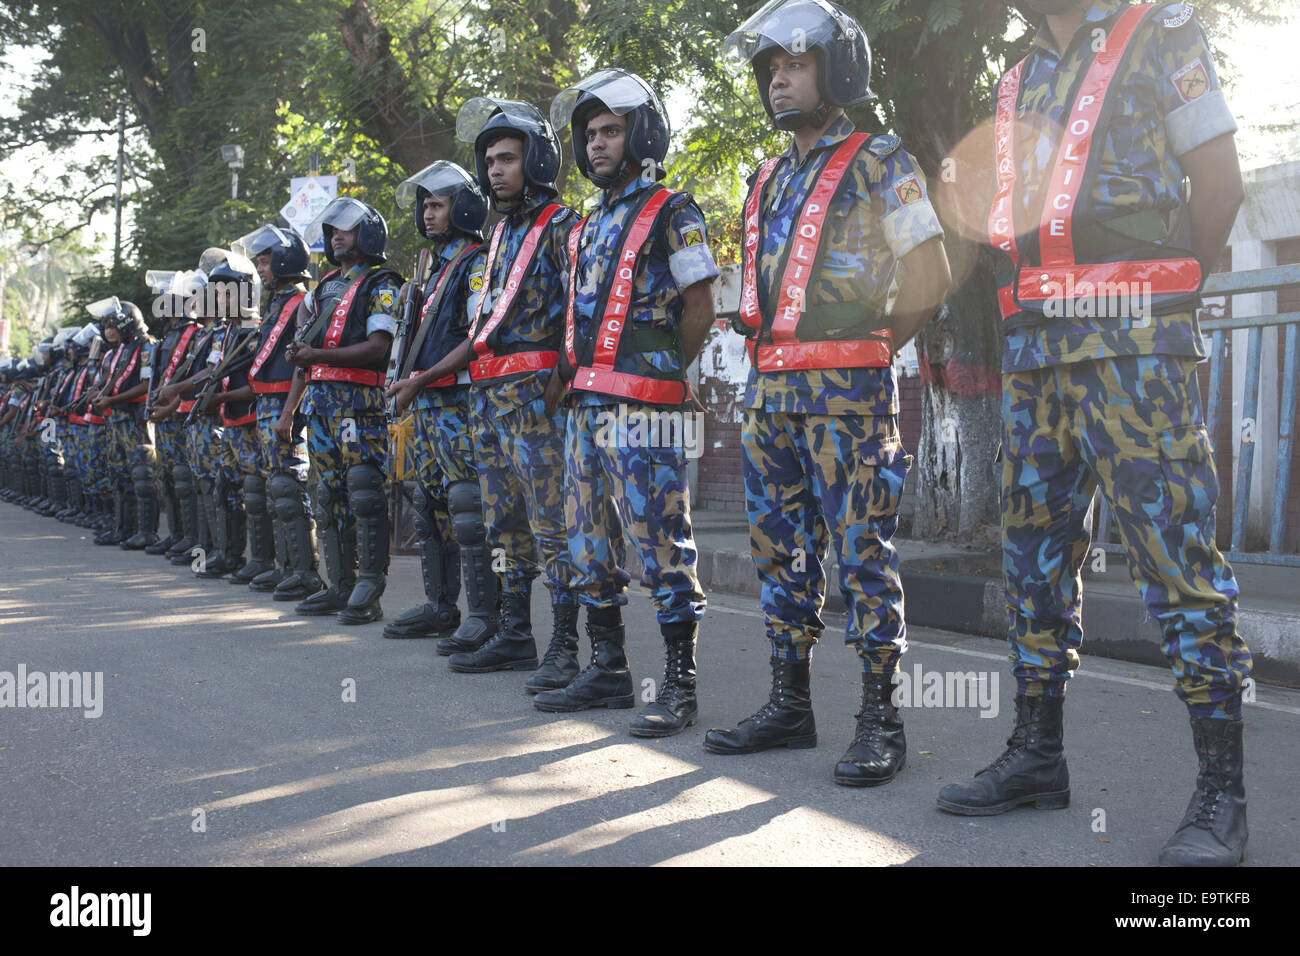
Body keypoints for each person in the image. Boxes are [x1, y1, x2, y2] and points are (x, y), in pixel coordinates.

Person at [937, 0, 1252, 868]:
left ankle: (1222, 797)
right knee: (1032, 561)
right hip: (1038, 359)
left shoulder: (1164, 30)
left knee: (1175, 561)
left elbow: (1219, 185)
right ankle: (1036, 756)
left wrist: (1163, 297)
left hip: (1135, 353)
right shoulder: (1020, 79)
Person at [703, 0, 951, 786]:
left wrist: (870, 350)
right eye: (771, 69)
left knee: (863, 555)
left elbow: (933, 274)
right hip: (769, 395)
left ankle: (881, 721)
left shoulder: (883, 159)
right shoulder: (766, 177)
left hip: (850, 394)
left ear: (837, 70)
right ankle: (789, 705)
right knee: (780, 554)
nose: (779, 80)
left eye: (796, 65)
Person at [532, 68, 717, 734]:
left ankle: (680, 685)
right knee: (586, 538)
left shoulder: (674, 209)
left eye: (611, 130)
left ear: (640, 133)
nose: (598, 144)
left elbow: (700, 307)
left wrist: (664, 372)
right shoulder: (587, 224)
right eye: (590, 134)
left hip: (645, 407)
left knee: (661, 540)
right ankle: (608, 669)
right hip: (585, 407)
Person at [422, 98, 579, 674]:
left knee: (551, 522)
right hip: (489, 397)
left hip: (536, 398)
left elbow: (579, 316)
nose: (495, 170)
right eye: (489, 160)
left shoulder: (564, 226)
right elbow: (484, 328)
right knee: (501, 522)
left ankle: (566, 645)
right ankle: (516, 632)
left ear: (535, 159)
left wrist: (559, 386)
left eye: (508, 158)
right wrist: (427, 377)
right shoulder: (499, 235)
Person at [385, 162, 495, 648]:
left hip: (458, 401)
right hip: (425, 405)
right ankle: (440, 607)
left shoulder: (475, 262)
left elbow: (479, 338)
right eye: (424, 205)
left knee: (467, 507)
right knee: (427, 506)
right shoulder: (432, 269)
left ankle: (485, 616)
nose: (428, 214)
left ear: (462, 206)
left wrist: (424, 378)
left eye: (438, 204)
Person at [283, 197, 403, 625]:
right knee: (326, 495)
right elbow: (303, 358)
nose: (336, 236)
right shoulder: (322, 288)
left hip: (360, 405)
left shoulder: (383, 284)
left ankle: (369, 588)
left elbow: (378, 348)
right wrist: (287, 413)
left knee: (364, 492)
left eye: (346, 229)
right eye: (332, 230)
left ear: (368, 235)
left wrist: (316, 353)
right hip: (320, 408)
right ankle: (340, 586)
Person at [233, 224, 325, 601]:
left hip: (290, 406)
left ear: (288, 260)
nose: (260, 266)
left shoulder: (302, 302)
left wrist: (290, 412)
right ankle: (286, 567)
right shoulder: (276, 304)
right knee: (276, 490)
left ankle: (305, 572)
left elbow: (302, 365)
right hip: (269, 405)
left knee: (290, 487)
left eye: (266, 259)